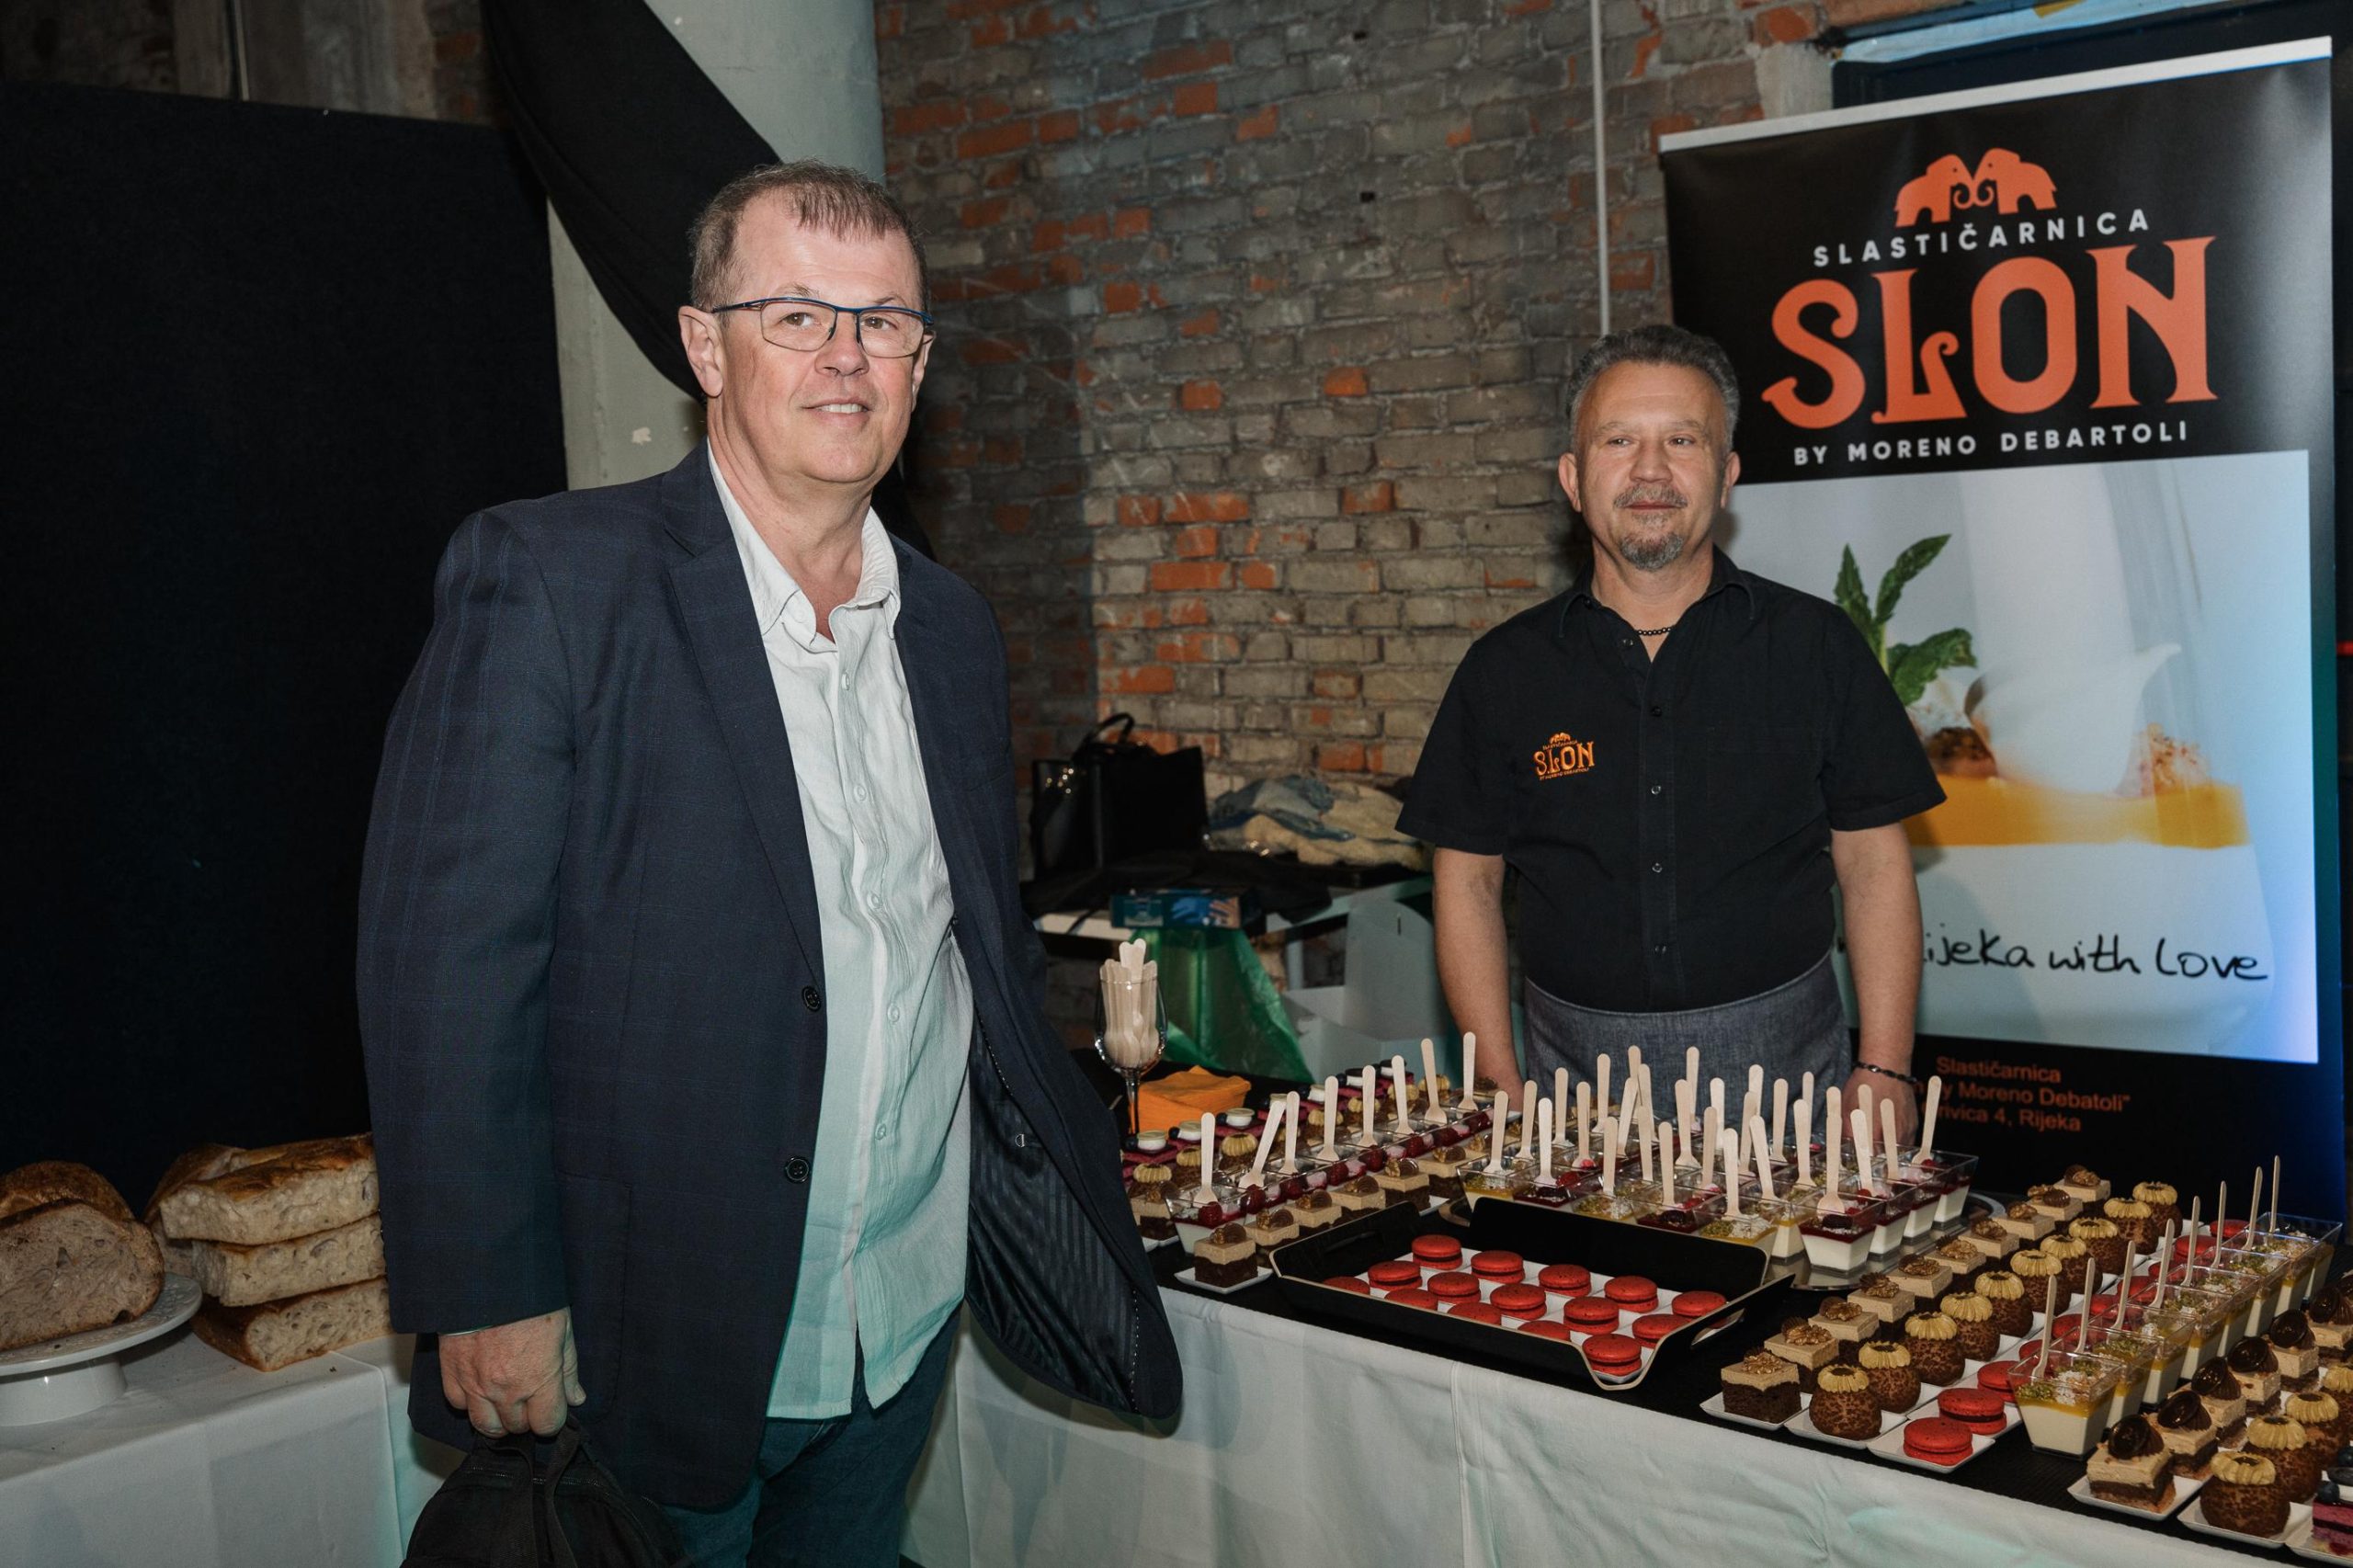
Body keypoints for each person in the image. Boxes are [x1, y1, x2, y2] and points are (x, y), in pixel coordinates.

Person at [357, 161, 1178, 1566]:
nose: (847, 357)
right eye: (796, 315)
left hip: (899, 1315)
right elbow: (445, 967)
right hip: (656, 1332)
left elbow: (964, 942)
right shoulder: (557, 582)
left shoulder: (952, 628)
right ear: (703, 346)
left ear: (921, 362)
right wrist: (487, 1285)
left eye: (885, 323)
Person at [1397, 324, 1944, 1145]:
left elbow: (1872, 864)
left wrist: (1888, 1066)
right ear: (1573, 479)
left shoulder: (1816, 647)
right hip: (1567, 1089)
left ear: (1726, 476)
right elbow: (1468, 882)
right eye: (1619, 441)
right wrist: (1496, 1082)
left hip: (1793, 1084)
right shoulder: (1503, 670)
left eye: (1682, 441)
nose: (1650, 470)